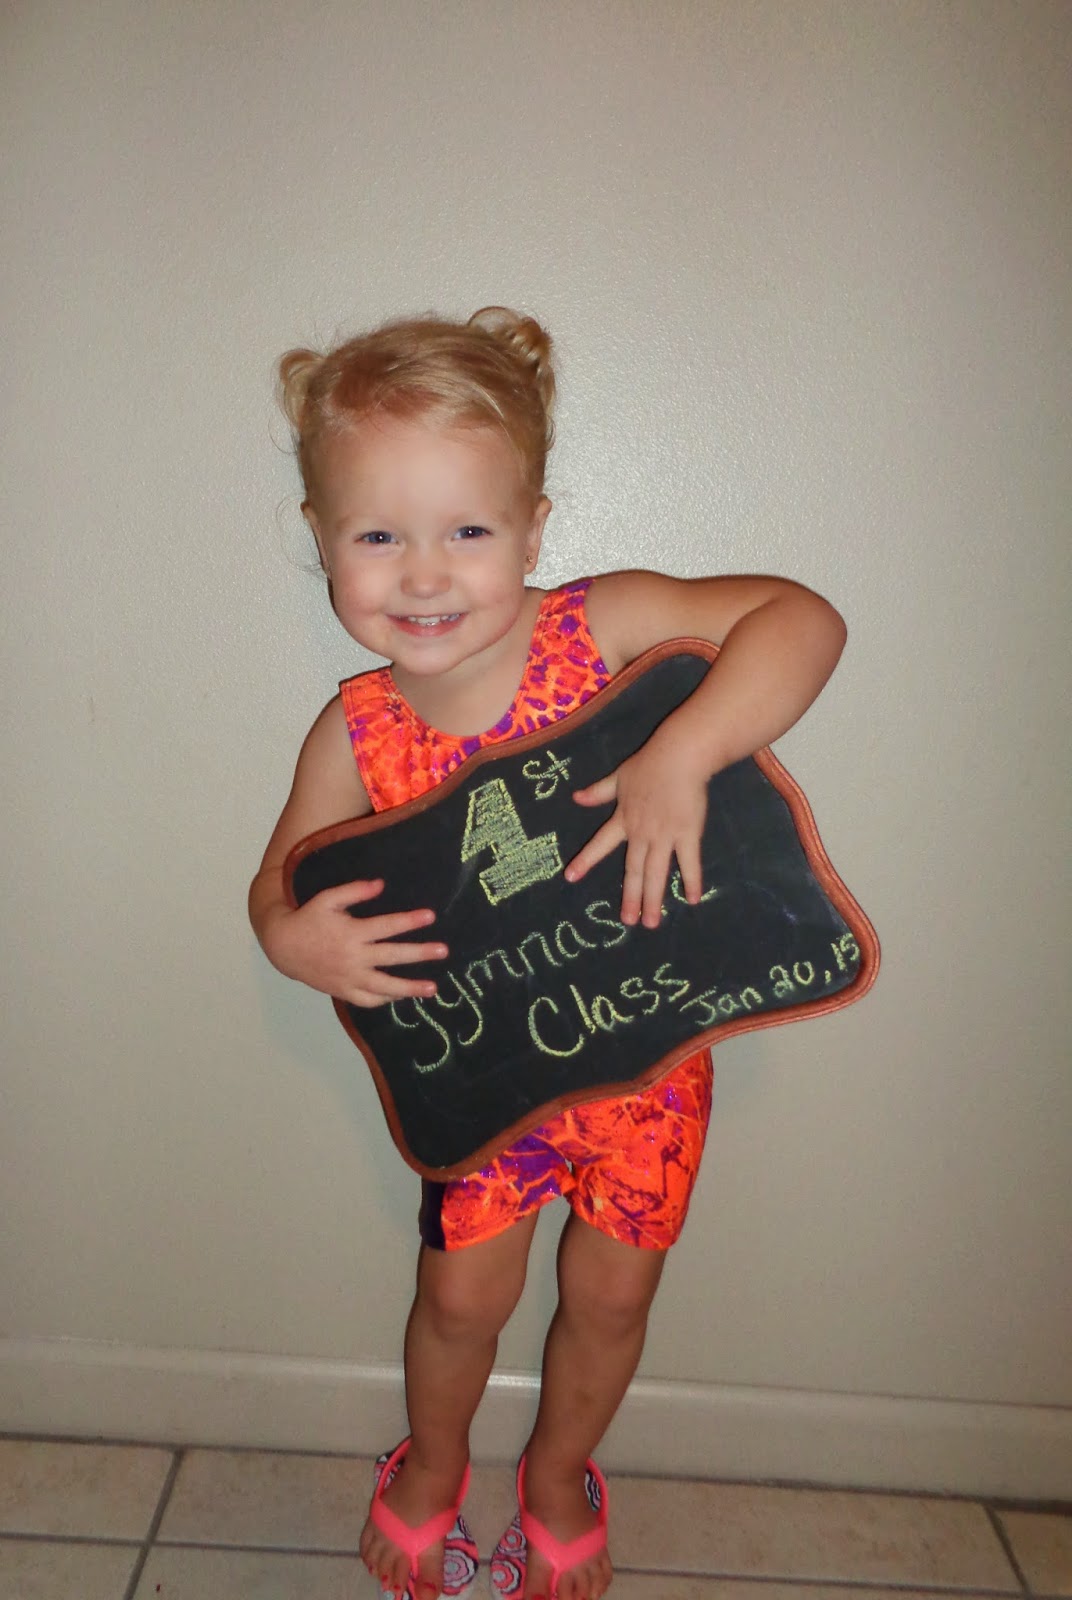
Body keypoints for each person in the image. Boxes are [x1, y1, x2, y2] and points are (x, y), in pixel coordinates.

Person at [249, 307, 846, 1600]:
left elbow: (804, 622)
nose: (424, 574)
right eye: (377, 536)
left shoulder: (601, 630)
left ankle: (563, 1475)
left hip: (646, 1067)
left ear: (533, 530)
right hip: (484, 1081)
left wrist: (685, 752)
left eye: (467, 531)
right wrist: (295, 938)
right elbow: (280, 881)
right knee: (461, 1301)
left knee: (614, 1298)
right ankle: (430, 1466)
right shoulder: (354, 731)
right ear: (321, 540)